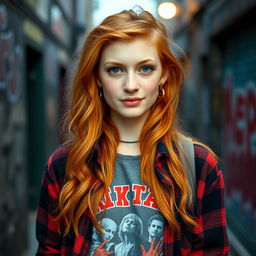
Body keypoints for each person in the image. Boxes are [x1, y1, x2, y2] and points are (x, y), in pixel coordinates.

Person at [35, 7, 230, 256]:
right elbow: (49, 249)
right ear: (96, 78)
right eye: (115, 69)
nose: (130, 85)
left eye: (145, 69)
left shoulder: (199, 165)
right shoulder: (65, 164)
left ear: (164, 76)